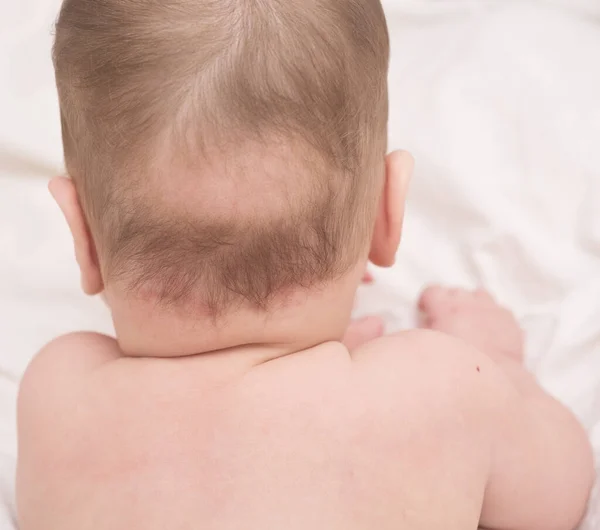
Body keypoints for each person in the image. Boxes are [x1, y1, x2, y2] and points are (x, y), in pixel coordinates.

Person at [16, 0, 594, 528]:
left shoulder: (59, 392)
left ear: (82, 237)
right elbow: (558, 496)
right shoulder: (444, 387)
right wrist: (496, 366)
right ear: (387, 218)